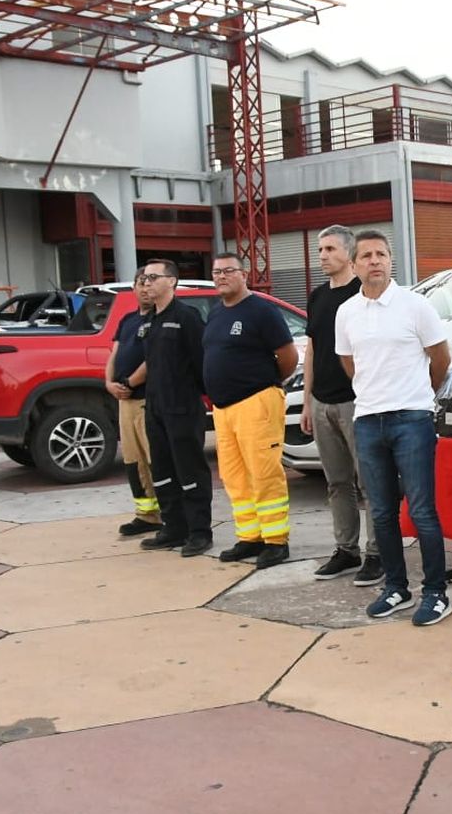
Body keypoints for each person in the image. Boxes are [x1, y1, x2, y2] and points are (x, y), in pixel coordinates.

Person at [335, 230, 452, 626]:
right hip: (368, 421)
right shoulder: (346, 311)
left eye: (381, 254)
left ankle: (436, 593)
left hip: (412, 419)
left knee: (422, 511)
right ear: (354, 265)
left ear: (391, 260)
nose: (375, 261)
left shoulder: (415, 306)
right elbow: (349, 363)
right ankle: (397, 587)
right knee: (382, 512)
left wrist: (421, 394)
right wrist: (374, 395)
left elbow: (440, 358)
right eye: (366, 256)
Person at [204, 252, 299, 566]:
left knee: (264, 472)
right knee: (234, 476)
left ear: (243, 274)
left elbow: (288, 357)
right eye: (216, 272)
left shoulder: (262, 310)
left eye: (228, 271)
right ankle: (250, 537)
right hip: (224, 409)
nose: (221, 277)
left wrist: (266, 383)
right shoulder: (216, 314)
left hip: (257, 402)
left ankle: (275, 541)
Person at [302, 225, 382, 585]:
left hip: (357, 402)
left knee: (370, 482)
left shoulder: (362, 295)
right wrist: (307, 401)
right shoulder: (318, 297)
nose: (322, 256)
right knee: (336, 482)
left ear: (349, 254)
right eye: (320, 250)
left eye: (330, 249)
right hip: (322, 403)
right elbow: (313, 350)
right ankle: (346, 550)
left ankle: (377, 554)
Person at [123, 259, 212, 557]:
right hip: (155, 408)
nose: (146, 283)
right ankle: (173, 528)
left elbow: (202, 364)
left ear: (171, 282)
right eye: (144, 279)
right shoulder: (150, 321)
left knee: (190, 470)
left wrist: (193, 398)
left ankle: (199, 531)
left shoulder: (186, 318)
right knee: (161, 470)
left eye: (152, 277)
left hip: (182, 408)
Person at [105, 270, 162, 537]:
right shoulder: (127, 320)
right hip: (124, 403)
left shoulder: (159, 319)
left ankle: (169, 514)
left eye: (150, 283)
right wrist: (109, 383)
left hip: (147, 400)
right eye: (140, 283)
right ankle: (146, 515)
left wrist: (130, 383)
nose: (145, 288)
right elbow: (114, 353)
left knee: (156, 459)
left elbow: (155, 359)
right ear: (133, 288)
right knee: (133, 461)